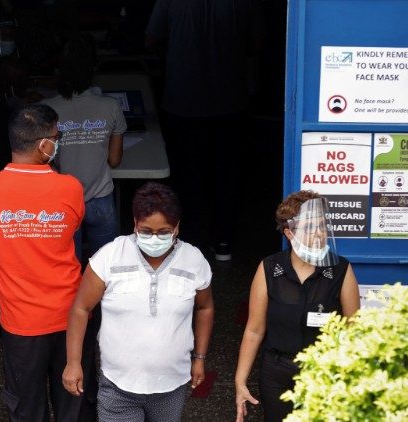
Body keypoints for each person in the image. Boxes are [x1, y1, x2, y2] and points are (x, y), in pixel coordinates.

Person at [0, 104, 89, 421]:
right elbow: (73, 228)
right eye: (57, 136)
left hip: (20, 324)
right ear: (44, 145)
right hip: (71, 318)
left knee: (25, 409)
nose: (57, 142)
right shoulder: (70, 188)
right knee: (74, 407)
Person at [62, 182, 214, 421]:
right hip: (117, 386)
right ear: (134, 224)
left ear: (177, 227)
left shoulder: (193, 260)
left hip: (171, 386)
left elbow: (205, 308)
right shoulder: (109, 257)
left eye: (163, 232)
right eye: (145, 231)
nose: (154, 238)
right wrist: (73, 362)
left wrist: (200, 358)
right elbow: (81, 309)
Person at [234, 190, 361, 422]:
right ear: (290, 233)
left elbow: (354, 330)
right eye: (310, 227)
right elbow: (254, 330)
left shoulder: (341, 270)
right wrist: (240, 382)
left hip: (325, 373)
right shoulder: (270, 268)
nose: (319, 233)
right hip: (277, 373)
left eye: (322, 226)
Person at [145, 0, 254, 260]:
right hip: (229, 101)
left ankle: (190, 243)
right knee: (226, 174)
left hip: (183, 101)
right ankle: (223, 241)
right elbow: (257, 43)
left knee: (186, 176)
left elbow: (151, 39)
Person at [41, 36, 127, 262]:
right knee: (106, 268)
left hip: (65, 200)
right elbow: (115, 160)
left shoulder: (49, 110)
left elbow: (44, 162)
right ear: (93, 69)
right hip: (100, 198)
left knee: (70, 269)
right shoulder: (110, 106)